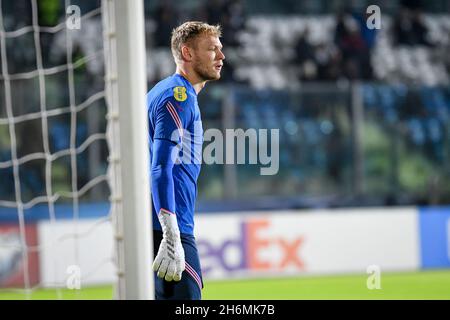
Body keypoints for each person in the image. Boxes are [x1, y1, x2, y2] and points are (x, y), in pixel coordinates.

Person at [146, 21, 225, 300]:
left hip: (155, 224)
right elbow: (160, 167)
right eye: (211, 49)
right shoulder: (178, 96)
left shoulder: (166, 91)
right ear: (188, 53)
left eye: (220, 48)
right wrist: (170, 233)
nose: (221, 56)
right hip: (164, 228)